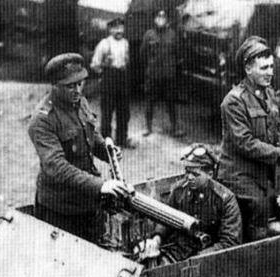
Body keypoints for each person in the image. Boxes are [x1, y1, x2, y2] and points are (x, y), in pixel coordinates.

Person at [28, 53, 129, 241]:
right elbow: (57, 167)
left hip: (88, 202)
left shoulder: (80, 102)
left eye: (80, 83)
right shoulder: (43, 121)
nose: (77, 90)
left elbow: (89, 133)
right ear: (54, 85)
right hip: (61, 210)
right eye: (69, 86)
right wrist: (101, 185)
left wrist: (106, 151)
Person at [218, 36, 280, 241]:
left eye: (271, 67)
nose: (270, 72)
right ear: (248, 69)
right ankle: (252, 252)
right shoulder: (233, 102)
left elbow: (276, 126)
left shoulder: (269, 93)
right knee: (260, 205)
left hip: (261, 172)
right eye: (264, 68)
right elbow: (245, 143)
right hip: (237, 174)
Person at [134, 144, 242, 265]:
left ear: (210, 174)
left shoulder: (225, 200)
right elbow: (166, 220)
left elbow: (230, 242)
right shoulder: (179, 190)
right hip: (178, 252)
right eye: (187, 172)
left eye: (195, 174)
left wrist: (197, 260)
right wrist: (157, 239)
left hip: (209, 259)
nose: (189, 177)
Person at [91, 18, 135, 149]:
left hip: (122, 79)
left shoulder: (125, 43)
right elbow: (94, 65)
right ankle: (106, 142)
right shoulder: (104, 44)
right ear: (110, 30)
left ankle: (122, 139)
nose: (119, 31)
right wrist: (104, 70)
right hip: (109, 79)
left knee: (124, 111)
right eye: (115, 28)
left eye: (121, 28)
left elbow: (126, 61)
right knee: (107, 111)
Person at [140, 9, 185, 138]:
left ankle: (175, 128)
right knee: (149, 101)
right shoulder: (149, 35)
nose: (161, 19)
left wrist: (171, 67)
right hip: (153, 75)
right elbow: (142, 54)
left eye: (163, 17)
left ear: (167, 20)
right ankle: (148, 128)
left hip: (168, 75)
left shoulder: (172, 34)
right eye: (158, 16)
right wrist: (150, 67)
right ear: (154, 19)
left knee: (171, 101)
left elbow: (178, 54)